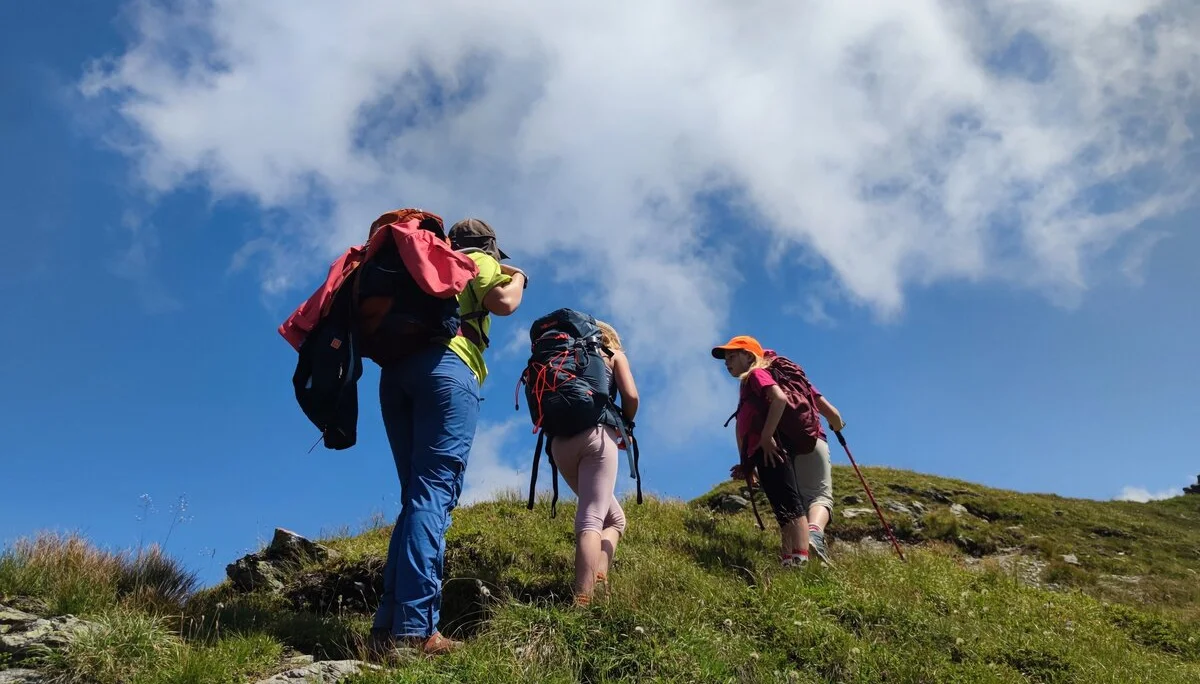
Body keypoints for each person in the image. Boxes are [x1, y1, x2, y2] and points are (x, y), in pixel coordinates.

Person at [370, 217, 527, 657]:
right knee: (433, 495)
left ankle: (386, 629)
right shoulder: (474, 259)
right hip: (447, 367)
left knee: (415, 498)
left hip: (394, 375)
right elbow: (503, 304)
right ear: (491, 246)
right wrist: (520, 279)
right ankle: (417, 632)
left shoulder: (420, 262)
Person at [711, 335, 844, 567]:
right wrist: (837, 424)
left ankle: (798, 555)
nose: (727, 362)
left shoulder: (755, 377)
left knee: (792, 502)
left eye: (732, 356)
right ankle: (806, 542)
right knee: (813, 496)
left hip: (775, 443)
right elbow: (830, 411)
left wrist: (763, 438)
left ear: (749, 356)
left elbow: (751, 418)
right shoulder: (789, 378)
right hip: (807, 439)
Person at [548, 319, 639, 606]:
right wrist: (627, 423)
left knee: (616, 519)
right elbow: (631, 396)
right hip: (597, 436)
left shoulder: (562, 355)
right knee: (592, 518)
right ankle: (583, 599)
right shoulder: (612, 355)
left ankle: (599, 575)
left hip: (559, 444)